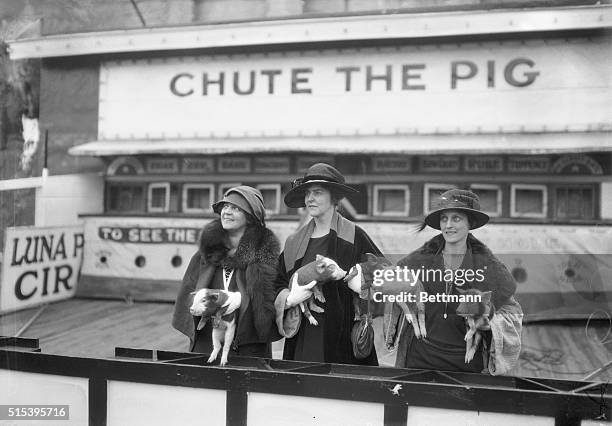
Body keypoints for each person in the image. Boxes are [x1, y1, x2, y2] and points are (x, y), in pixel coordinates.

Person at [384, 189, 523, 374]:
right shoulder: (418, 261)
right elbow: (387, 284)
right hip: (420, 358)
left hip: (466, 362)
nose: (448, 225)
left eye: (456, 218)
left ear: (470, 223)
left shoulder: (490, 268)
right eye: (444, 219)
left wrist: (489, 321)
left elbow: (511, 312)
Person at [274, 163, 383, 365]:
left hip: (342, 338)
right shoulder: (293, 242)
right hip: (302, 338)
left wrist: (353, 276)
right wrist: (288, 299)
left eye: (317, 192)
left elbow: (384, 274)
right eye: (307, 193)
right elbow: (276, 283)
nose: (310, 199)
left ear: (334, 197)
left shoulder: (353, 235)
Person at [172, 185, 280, 357]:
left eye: (236, 208)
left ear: (251, 217)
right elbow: (187, 298)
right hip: (207, 346)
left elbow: (273, 304)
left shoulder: (265, 259)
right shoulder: (203, 256)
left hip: (248, 350)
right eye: (225, 207)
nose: (227, 212)